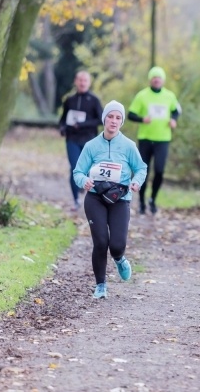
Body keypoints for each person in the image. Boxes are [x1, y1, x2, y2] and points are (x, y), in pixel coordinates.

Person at [73, 100, 148, 299]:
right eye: (110, 116)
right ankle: (100, 286)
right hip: (95, 197)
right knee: (100, 242)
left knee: (116, 245)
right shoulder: (91, 146)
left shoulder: (128, 145)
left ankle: (119, 258)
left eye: (118, 118)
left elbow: (141, 168)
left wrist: (136, 181)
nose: (113, 121)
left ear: (121, 122)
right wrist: (84, 181)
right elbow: (78, 172)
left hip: (120, 198)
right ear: (104, 119)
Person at [127, 66, 181, 215]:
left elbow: (176, 110)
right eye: (154, 77)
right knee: (143, 170)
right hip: (145, 138)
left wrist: (174, 120)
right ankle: (142, 202)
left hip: (163, 139)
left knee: (159, 170)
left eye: (159, 77)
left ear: (163, 80)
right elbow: (130, 114)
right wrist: (142, 119)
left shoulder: (169, 96)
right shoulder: (142, 95)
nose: (156, 80)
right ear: (150, 79)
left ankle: (153, 199)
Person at [58, 71, 103, 210]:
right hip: (72, 139)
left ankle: (91, 198)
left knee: (89, 170)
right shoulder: (69, 100)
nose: (82, 83)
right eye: (80, 80)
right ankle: (75, 200)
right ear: (75, 82)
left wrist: (82, 124)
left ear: (89, 83)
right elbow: (62, 119)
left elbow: (101, 119)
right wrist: (62, 128)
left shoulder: (94, 100)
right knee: (75, 168)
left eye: (85, 80)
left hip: (89, 140)